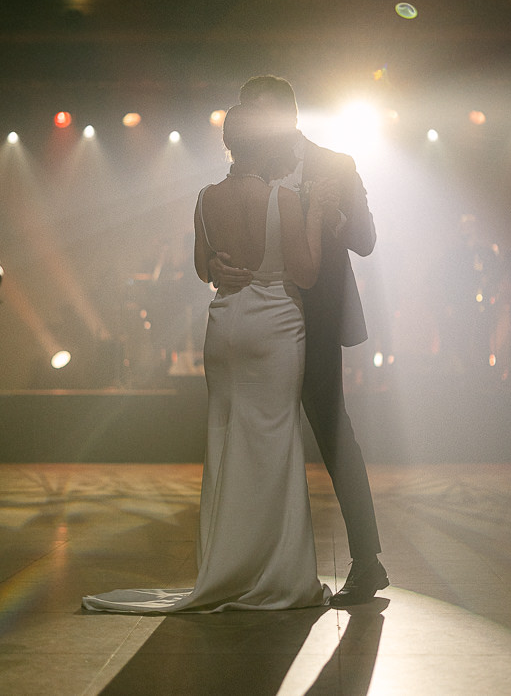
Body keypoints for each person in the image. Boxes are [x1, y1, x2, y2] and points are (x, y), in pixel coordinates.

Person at [82, 103, 335, 612]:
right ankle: (278, 573)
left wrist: (221, 262)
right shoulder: (283, 198)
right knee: (276, 441)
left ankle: (227, 565)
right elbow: (306, 274)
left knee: (227, 443)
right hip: (275, 324)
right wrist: (319, 217)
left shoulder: (204, 199)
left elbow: (203, 269)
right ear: (267, 145)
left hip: (224, 327)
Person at [210, 76, 388, 608]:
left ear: (289, 114)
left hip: (314, 320)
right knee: (257, 443)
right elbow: (222, 240)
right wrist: (214, 263)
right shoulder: (245, 169)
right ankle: (258, 566)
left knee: (333, 434)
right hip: (259, 322)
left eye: (261, 114)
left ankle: (367, 560)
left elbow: (367, 241)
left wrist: (335, 214)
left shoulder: (336, 163)